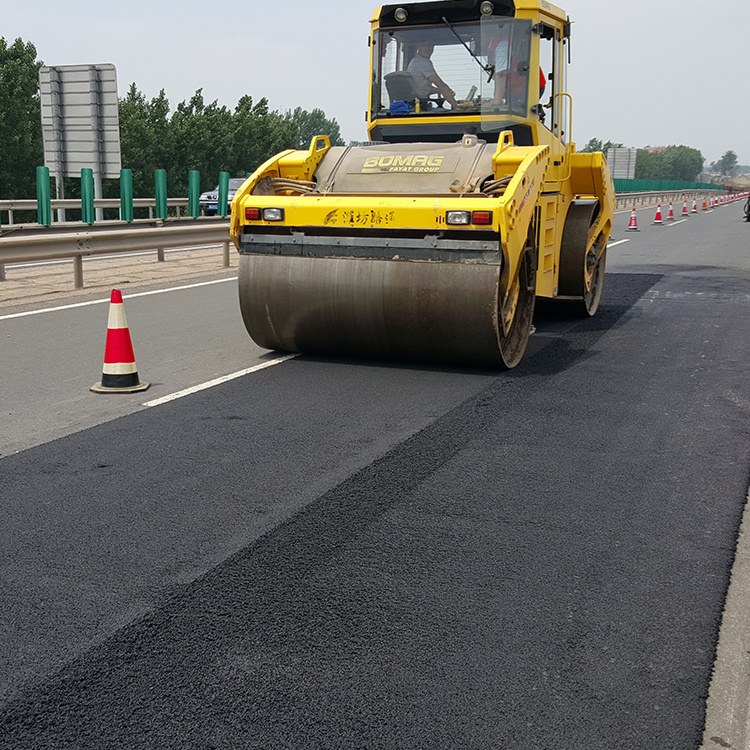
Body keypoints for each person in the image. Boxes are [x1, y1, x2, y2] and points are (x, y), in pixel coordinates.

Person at [406, 43, 458, 108]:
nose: (427, 48)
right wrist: (455, 105)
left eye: (429, 45)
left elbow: (422, 87)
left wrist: (440, 91)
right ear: (418, 47)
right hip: (419, 105)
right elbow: (440, 85)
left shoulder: (414, 61)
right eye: (423, 45)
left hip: (418, 104)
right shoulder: (423, 62)